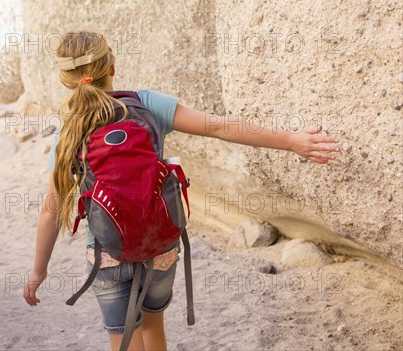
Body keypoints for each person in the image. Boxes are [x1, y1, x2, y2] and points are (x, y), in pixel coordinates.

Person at [23, 31, 340, 351]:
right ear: (113, 67)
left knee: (124, 341)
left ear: (65, 81)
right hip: (160, 245)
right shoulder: (144, 103)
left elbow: (51, 210)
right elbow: (219, 126)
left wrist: (39, 270)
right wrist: (292, 141)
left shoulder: (69, 134)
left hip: (108, 255)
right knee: (153, 327)